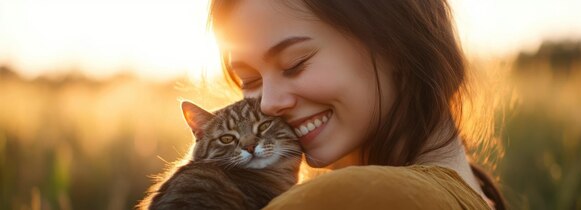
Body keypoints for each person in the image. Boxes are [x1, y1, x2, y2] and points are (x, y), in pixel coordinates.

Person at [208, 0, 505, 209]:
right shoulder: (474, 196)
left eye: (294, 64)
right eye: (249, 81)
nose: (269, 103)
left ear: (393, 40)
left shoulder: (354, 197)